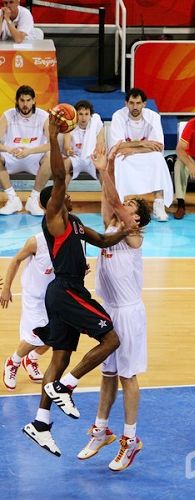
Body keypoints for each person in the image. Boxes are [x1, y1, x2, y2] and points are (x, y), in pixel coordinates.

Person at [22, 112, 139, 457]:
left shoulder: (73, 223)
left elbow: (102, 239)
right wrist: (54, 136)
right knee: (112, 337)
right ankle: (67, 387)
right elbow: (58, 176)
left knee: (58, 357)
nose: (68, 191)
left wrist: (126, 231)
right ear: (53, 204)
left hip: (66, 293)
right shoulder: (55, 217)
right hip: (67, 290)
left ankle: (41, 423)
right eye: (62, 192)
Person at [77, 147, 150, 471]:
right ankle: (101, 429)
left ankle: (131, 439)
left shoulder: (134, 235)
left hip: (128, 314)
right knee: (107, 374)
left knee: (127, 376)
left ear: (137, 219)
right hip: (107, 311)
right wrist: (101, 172)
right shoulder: (112, 228)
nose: (123, 208)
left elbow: (117, 202)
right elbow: (111, 200)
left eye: (131, 207)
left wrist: (106, 168)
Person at [108, 87, 173, 222]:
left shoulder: (153, 117)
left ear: (144, 104)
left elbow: (158, 146)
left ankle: (159, 204)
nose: (135, 106)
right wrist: (143, 144)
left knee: (158, 159)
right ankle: (120, 205)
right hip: (126, 155)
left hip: (142, 154)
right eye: (131, 103)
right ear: (126, 104)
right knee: (119, 160)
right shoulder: (118, 116)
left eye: (138, 103)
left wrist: (133, 149)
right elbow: (117, 146)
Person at [1, 233, 53, 391]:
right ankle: (13, 362)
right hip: (34, 297)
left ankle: (31, 359)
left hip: (55, 296)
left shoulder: (68, 239)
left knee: (56, 337)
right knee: (35, 337)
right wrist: (6, 288)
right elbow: (16, 260)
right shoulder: (35, 242)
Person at [0, 85, 50, 216]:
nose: (25, 104)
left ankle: (33, 200)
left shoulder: (44, 116)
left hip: (34, 156)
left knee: (52, 157)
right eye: (22, 100)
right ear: (17, 101)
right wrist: (8, 149)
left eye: (28, 100)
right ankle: (12, 199)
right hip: (11, 156)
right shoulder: (7, 115)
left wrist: (30, 151)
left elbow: (52, 145)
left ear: (34, 100)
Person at [63, 100, 105, 187]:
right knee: (65, 166)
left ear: (90, 115)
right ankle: (60, 197)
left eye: (86, 114)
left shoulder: (96, 123)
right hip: (75, 158)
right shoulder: (70, 126)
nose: (83, 117)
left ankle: (107, 198)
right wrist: (69, 151)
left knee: (103, 167)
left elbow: (101, 143)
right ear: (76, 115)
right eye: (80, 114)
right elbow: (66, 146)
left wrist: (97, 153)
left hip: (92, 158)